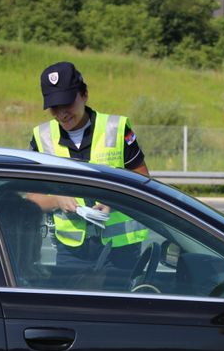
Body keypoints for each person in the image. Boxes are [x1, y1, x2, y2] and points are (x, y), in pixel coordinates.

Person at [28, 61, 149, 270]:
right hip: (72, 253)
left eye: (67, 103)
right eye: (54, 107)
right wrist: (57, 199)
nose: (62, 113)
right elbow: (31, 200)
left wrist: (113, 201)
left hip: (121, 251)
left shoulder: (117, 129)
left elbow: (144, 184)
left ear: (84, 94)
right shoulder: (42, 138)